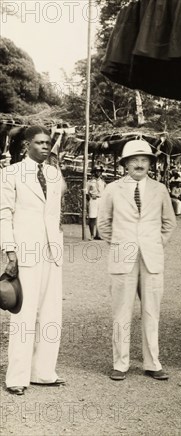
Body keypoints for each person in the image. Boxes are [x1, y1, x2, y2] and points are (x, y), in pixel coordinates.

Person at [98, 140, 176, 381]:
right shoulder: (112, 189)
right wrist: (123, 243)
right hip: (123, 257)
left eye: (144, 160)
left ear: (150, 164)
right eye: (134, 160)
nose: (139, 164)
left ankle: (152, 363)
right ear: (125, 164)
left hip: (151, 258)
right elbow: (103, 225)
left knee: (152, 311)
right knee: (121, 312)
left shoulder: (160, 189)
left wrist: (152, 243)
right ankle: (120, 364)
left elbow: (169, 223)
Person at [1, 126, 65, 395]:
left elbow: (54, 211)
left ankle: (43, 372)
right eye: (39, 142)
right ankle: (16, 377)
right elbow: (4, 213)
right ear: (27, 145)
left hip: (52, 251)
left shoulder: (53, 173)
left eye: (48, 142)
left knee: (51, 313)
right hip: (25, 251)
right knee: (24, 315)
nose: (45, 146)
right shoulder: (11, 173)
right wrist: (9, 251)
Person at [87, 167, 106, 240]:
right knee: (92, 217)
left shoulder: (103, 182)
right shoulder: (90, 182)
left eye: (100, 172)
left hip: (101, 200)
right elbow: (86, 193)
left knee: (100, 218)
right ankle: (92, 235)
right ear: (94, 172)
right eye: (97, 171)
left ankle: (98, 235)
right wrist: (90, 199)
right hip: (93, 200)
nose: (98, 173)